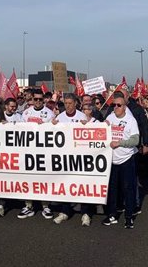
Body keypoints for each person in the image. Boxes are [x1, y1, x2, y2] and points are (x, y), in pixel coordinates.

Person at [52, 94, 92, 225]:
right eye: (66, 103)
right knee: (65, 184)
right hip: (64, 157)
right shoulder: (60, 117)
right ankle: (65, 211)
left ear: (76, 103)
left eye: (70, 103)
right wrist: (51, 125)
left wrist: (88, 125)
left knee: (82, 185)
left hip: (79, 157)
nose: (68, 106)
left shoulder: (82, 116)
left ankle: (85, 213)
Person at [104, 93, 140, 229]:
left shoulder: (131, 120)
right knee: (112, 189)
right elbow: (100, 130)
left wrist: (120, 143)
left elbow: (135, 140)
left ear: (125, 107)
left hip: (126, 159)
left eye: (119, 105)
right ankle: (112, 214)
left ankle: (129, 217)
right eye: (114, 105)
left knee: (128, 189)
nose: (116, 107)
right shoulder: (110, 117)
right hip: (112, 160)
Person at [18, 92, 55, 220]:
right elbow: (19, 129)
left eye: (40, 99)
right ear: (32, 99)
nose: (38, 101)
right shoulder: (26, 113)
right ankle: (28, 206)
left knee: (43, 178)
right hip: (28, 150)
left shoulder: (49, 113)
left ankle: (45, 206)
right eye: (36, 99)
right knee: (28, 178)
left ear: (43, 100)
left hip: (43, 151)